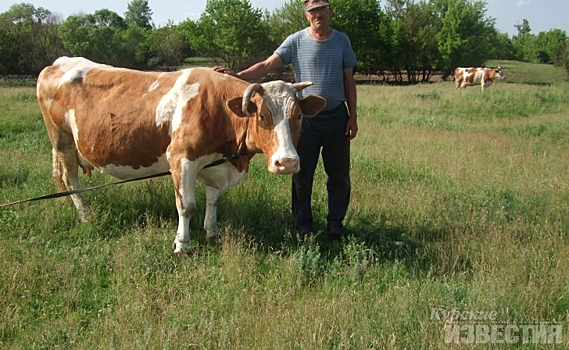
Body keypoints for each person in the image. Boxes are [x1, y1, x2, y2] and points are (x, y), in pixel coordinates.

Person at [214, 0, 358, 241]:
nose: (318, 14)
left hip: (336, 116)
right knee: (301, 171)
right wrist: (238, 76)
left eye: (322, 9)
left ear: (330, 12)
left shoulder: (342, 41)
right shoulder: (296, 41)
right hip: (302, 118)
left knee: (339, 174)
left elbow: (349, 81)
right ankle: (303, 223)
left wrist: (352, 116)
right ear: (306, 15)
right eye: (313, 10)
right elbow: (267, 65)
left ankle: (335, 224)